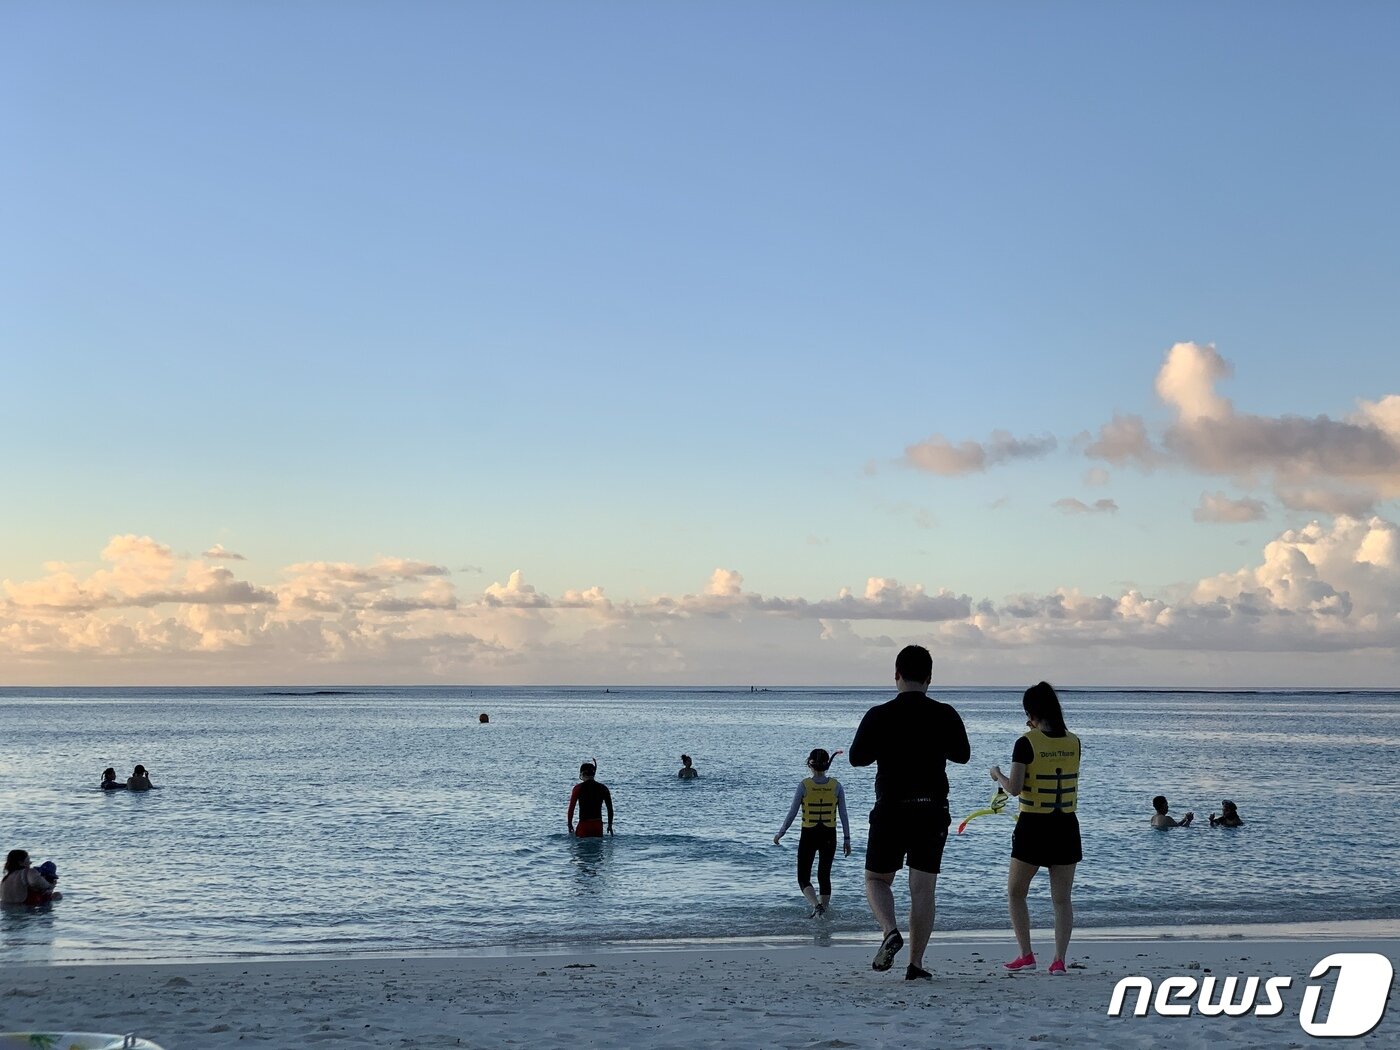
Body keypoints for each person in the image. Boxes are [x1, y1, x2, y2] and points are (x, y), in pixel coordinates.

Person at [848, 644, 970, 981]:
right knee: (922, 889)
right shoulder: (945, 714)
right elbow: (963, 755)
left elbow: (857, 758)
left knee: (876, 879)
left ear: (896, 675)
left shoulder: (879, 714)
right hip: (932, 809)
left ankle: (889, 930)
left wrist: (886, 745)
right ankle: (915, 965)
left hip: (891, 808)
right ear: (930, 678)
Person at [989, 681, 1082, 975]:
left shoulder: (1026, 742)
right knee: (1062, 898)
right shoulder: (1073, 741)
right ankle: (1058, 960)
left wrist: (997, 774)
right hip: (1066, 824)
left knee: (1016, 893)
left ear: (1030, 712)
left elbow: (1014, 789)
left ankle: (1026, 954)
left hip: (1034, 825)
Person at [773, 748, 852, 917]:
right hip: (829, 834)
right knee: (824, 875)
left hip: (809, 834)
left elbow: (792, 812)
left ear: (809, 764)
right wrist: (847, 839)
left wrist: (781, 832)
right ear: (827, 765)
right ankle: (823, 914)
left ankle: (816, 905)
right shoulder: (836, 786)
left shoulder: (804, 786)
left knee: (803, 877)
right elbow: (844, 814)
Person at [567, 759, 614, 838]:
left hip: (583, 826)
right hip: (598, 826)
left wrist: (569, 824)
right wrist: (610, 825)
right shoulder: (604, 788)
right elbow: (610, 809)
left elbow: (571, 809)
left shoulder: (578, 788)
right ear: (594, 773)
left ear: (582, 774)